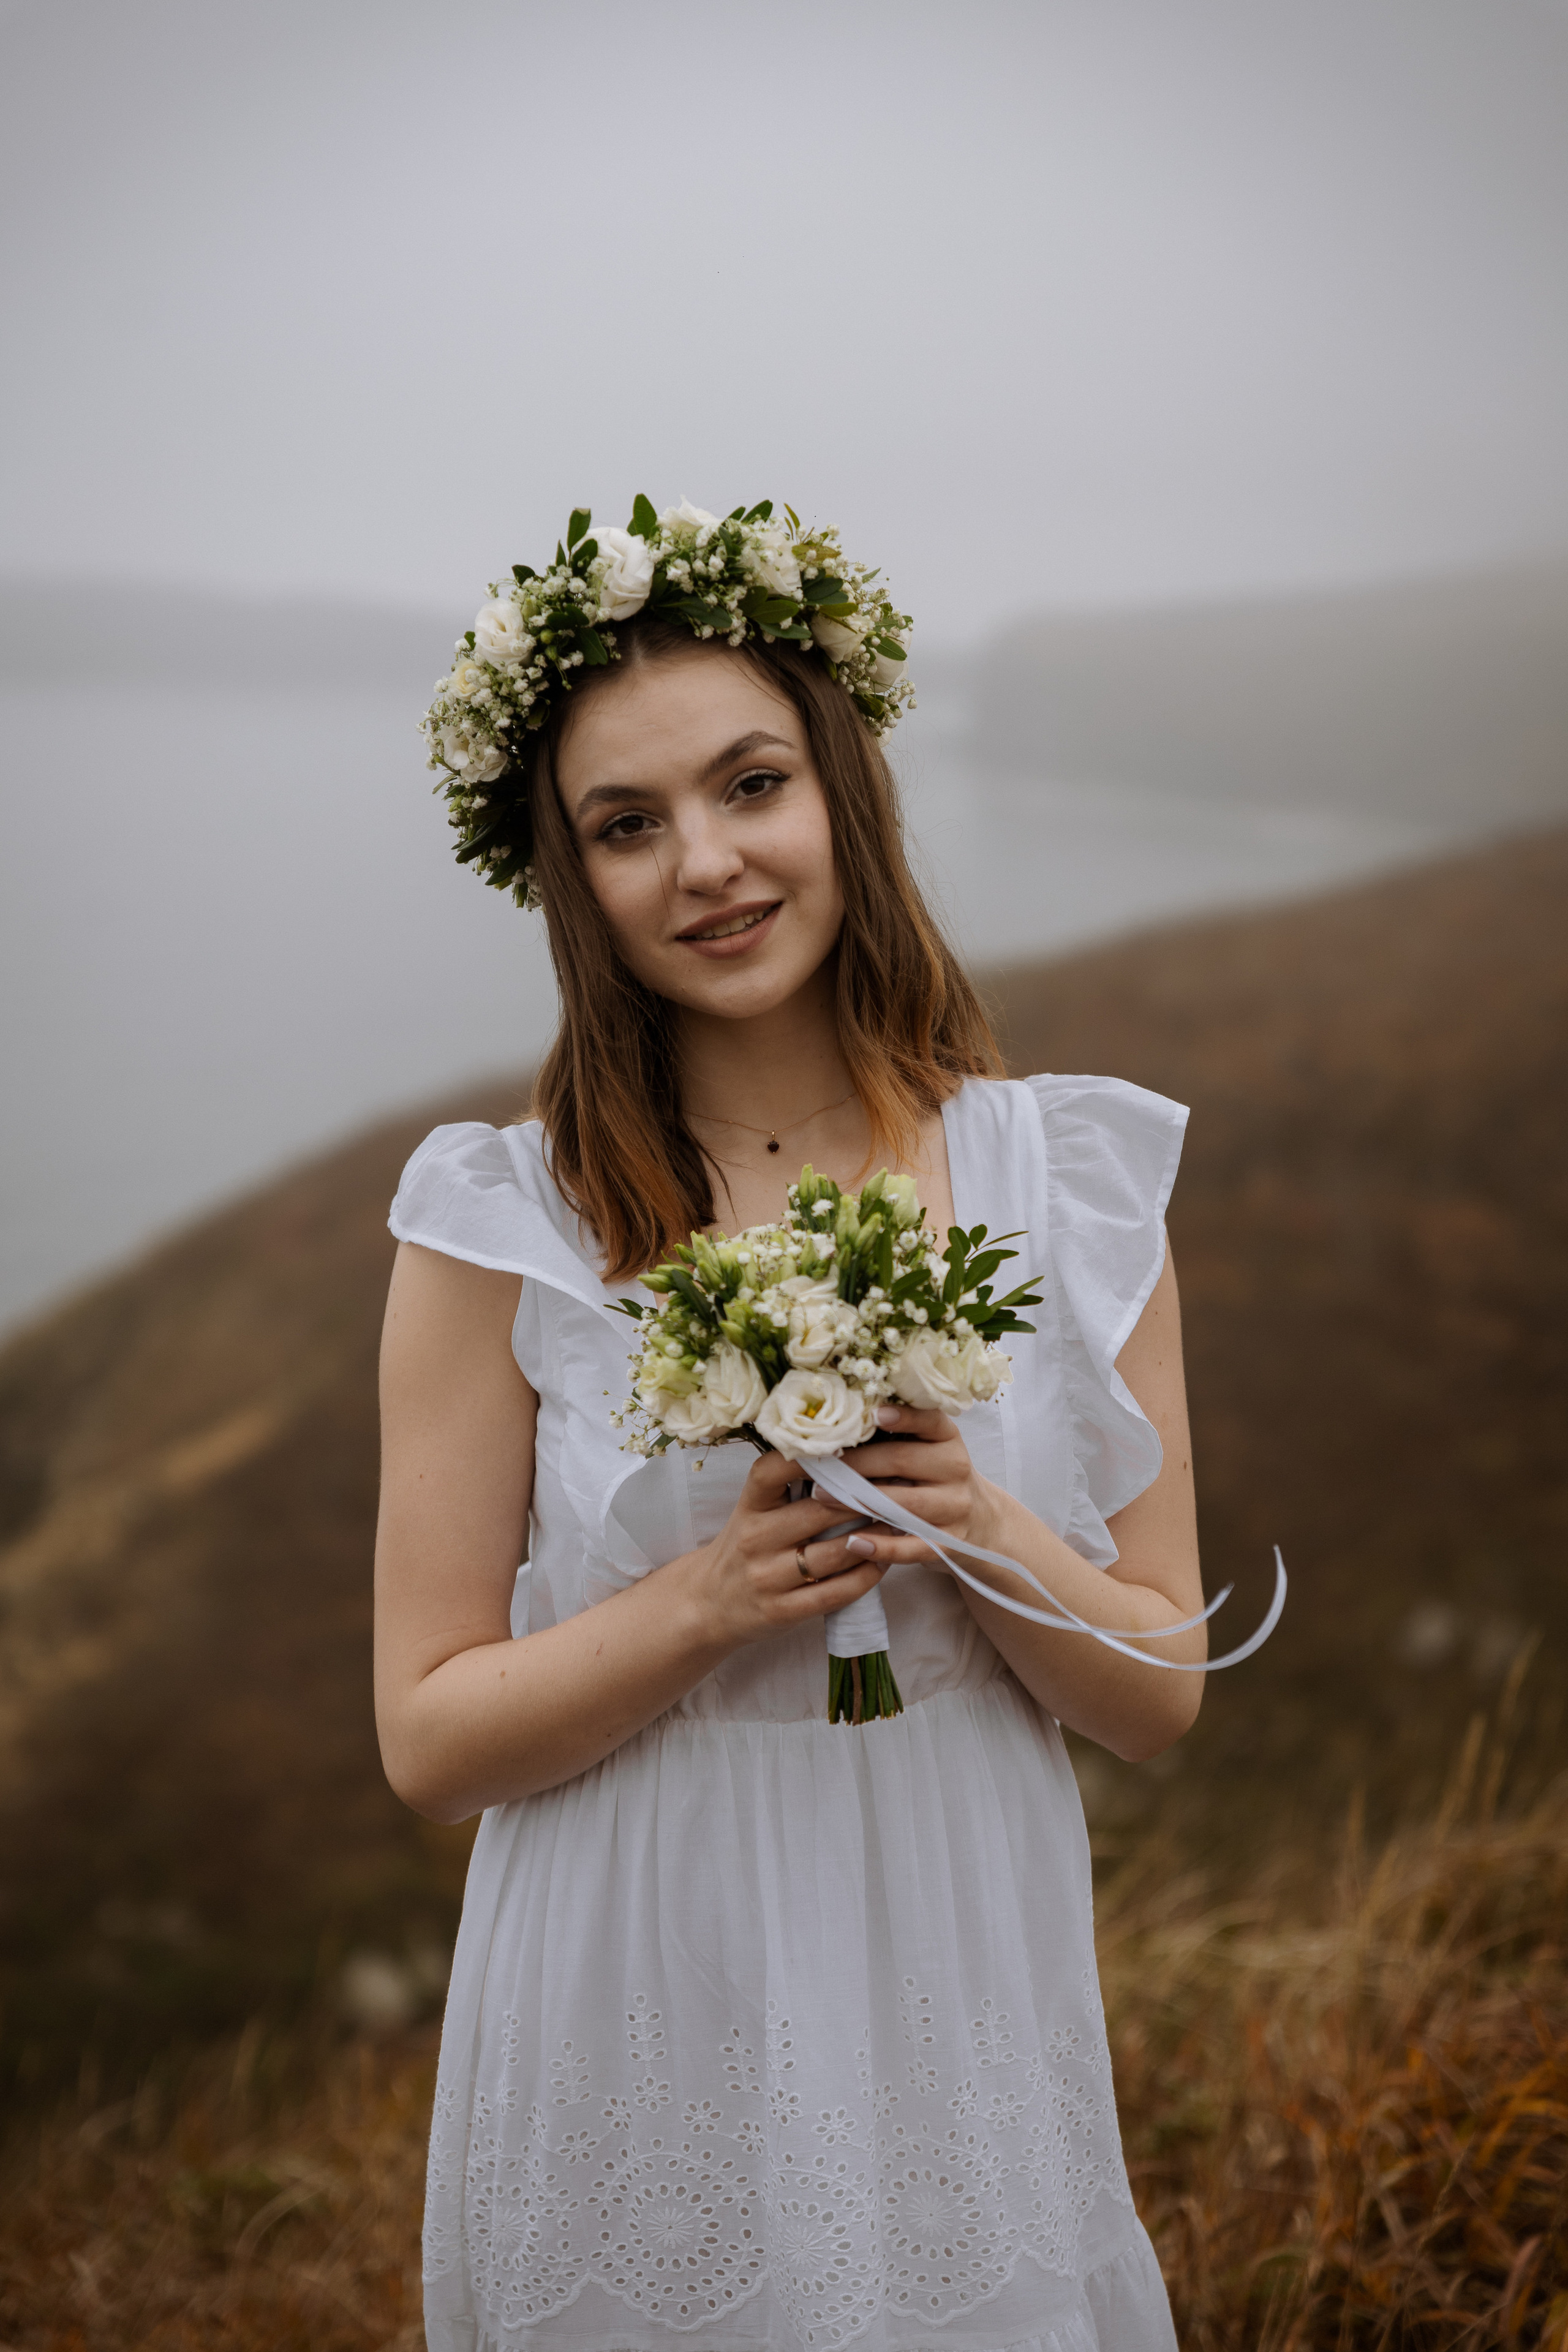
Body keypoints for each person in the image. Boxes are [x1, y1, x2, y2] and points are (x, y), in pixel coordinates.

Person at [375, 500, 1201, 2352]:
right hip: (632, 1970)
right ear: (567, 877)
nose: (709, 865)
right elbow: (426, 1737)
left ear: (844, 790)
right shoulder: (503, 1226)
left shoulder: (1064, 1182)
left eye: (753, 784)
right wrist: (707, 1600)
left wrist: (982, 1529)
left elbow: (1162, 1693)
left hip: (954, 1960)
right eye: (628, 825)